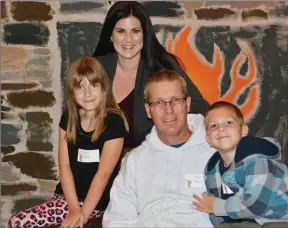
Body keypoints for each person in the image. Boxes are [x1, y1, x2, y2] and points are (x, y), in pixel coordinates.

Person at [8, 57, 129, 228]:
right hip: (67, 199)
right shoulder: (69, 118)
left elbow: (103, 175)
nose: (87, 94)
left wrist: (83, 214)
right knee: (16, 222)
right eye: (80, 87)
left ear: (104, 88)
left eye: (93, 85)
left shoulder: (114, 122)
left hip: (97, 204)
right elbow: (64, 167)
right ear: (72, 91)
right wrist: (73, 208)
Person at [102, 70, 216, 227]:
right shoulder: (135, 161)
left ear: (187, 104)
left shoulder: (216, 151)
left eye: (175, 100)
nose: (168, 110)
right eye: (158, 103)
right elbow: (118, 219)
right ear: (148, 110)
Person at [93, 1, 209, 148]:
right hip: (100, 161)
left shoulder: (162, 65)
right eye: (120, 31)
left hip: (150, 158)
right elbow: (73, 117)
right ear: (110, 35)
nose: (128, 39)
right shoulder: (95, 68)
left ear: (144, 34)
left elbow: (199, 107)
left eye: (135, 31)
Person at [192, 101, 288, 228]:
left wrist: (216, 206)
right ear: (209, 139)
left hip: (284, 221)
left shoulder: (258, 160)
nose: (221, 128)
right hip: (250, 223)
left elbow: (257, 206)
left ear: (243, 130)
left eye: (229, 122)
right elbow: (216, 212)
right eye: (213, 126)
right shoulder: (212, 170)